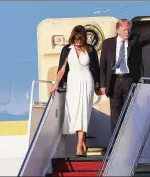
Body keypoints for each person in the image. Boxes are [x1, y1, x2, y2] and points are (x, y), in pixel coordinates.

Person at [99, 19, 150, 133]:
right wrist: (102, 84)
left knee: (130, 111)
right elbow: (103, 65)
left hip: (129, 80)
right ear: (118, 30)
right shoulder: (108, 43)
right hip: (114, 81)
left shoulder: (134, 40)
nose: (127, 32)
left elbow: (148, 38)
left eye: (128, 29)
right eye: (124, 30)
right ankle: (115, 141)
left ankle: (129, 138)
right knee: (115, 113)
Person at [50, 25, 100, 156]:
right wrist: (56, 84)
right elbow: (61, 69)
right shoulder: (67, 49)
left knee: (84, 110)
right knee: (74, 110)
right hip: (73, 81)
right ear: (72, 37)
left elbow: (96, 68)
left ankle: (79, 144)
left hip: (86, 80)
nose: (78, 41)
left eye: (80, 39)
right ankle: (83, 143)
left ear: (84, 38)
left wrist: (98, 86)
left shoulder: (90, 49)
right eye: (75, 39)